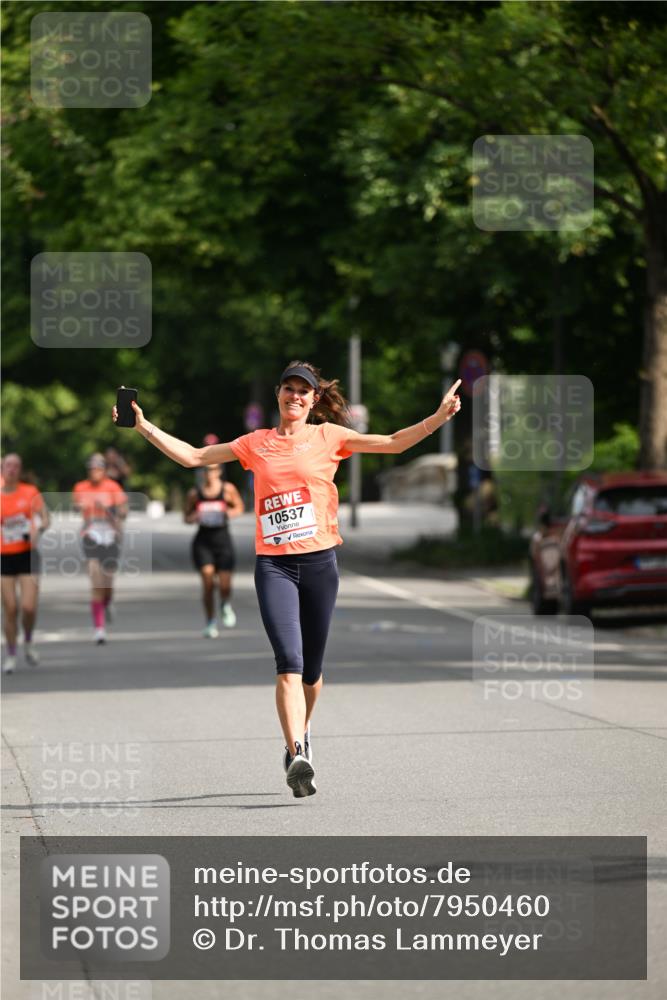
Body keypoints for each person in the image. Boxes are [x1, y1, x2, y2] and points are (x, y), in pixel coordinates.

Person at [112, 361, 461, 797]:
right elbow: (195, 457)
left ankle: (304, 730)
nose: (295, 396)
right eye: (288, 389)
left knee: (312, 673)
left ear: (314, 399)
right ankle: (296, 752)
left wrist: (438, 417)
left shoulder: (330, 436)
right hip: (273, 566)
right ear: (277, 394)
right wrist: (144, 426)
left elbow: (391, 443)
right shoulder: (256, 443)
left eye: (303, 391)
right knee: (288, 666)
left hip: (319, 564)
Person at [72, 453, 128, 645]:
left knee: (107, 585)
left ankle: (108, 602)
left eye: (97, 468)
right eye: (91, 468)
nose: (94, 472)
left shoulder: (113, 487)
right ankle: (99, 628)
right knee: (96, 583)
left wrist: (111, 510)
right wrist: (80, 507)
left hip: (110, 536)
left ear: (104, 470)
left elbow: (124, 510)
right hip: (91, 535)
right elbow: (76, 507)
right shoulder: (81, 487)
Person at [183, 462, 244, 637]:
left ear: (219, 471)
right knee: (208, 584)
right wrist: (193, 516)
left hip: (223, 541)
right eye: (206, 470)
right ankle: (210, 622)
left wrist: (228, 513)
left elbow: (239, 507)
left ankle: (225, 603)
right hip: (203, 542)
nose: (209, 473)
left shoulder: (227, 489)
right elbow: (186, 517)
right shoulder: (195, 493)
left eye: (213, 469)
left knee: (225, 585)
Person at [1, 454, 49, 673]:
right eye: (8, 465)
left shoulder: (30, 492)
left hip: (28, 554)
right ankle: (11, 654)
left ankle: (28, 640)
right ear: (2, 468)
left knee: (28, 607)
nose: (12, 469)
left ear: (20, 470)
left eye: (16, 466)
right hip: (4, 557)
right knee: (10, 608)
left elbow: (46, 518)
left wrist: (37, 529)